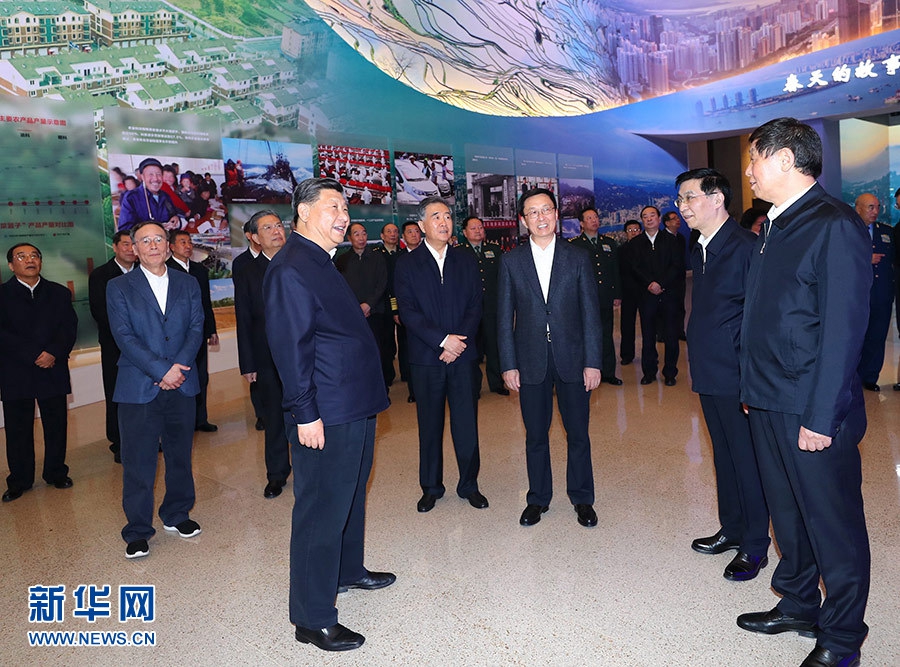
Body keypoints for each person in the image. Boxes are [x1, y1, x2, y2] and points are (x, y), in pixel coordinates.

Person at [737, 117, 871, 667]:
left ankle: (842, 637)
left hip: (811, 406)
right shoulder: (774, 224)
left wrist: (821, 415)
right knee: (787, 515)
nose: (747, 171)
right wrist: (753, 388)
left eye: (754, 160)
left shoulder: (832, 224)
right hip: (768, 397)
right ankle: (796, 602)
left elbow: (842, 332)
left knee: (831, 523)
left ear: (786, 160)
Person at [264, 178, 393, 652]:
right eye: (333, 206)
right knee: (321, 510)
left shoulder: (322, 261)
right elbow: (290, 349)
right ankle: (312, 616)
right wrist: (305, 414)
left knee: (351, 495)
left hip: (353, 403)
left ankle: (347, 570)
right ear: (302, 211)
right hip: (327, 411)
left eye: (346, 207)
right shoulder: (291, 267)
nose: (344, 216)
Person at [675, 168, 771, 582]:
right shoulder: (700, 247)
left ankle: (754, 545)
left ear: (717, 199)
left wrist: (751, 380)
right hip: (709, 371)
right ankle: (731, 528)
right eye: (680, 199)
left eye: (690, 197)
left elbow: (758, 321)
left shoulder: (747, 246)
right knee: (725, 456)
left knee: (747, 461)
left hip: (736, 376)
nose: (682, 207)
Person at [497, 188, 602, 528]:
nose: (540, 217)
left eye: (546, 210)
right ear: (523, 220)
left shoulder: (577, 258)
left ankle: (582, 498)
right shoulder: (511, 261)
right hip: (530, 360)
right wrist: (508, 364)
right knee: (536, 435)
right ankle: (538, 498)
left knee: (578, 433)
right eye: (533, 212)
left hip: (572, 357)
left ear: (557, 215)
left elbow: (590, 314)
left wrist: (594, 361)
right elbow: (503, 318)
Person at [107, 221, 204, 559]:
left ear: (168, 245)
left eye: (158, 239)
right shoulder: (118, 287)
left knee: (180, 456)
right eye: (144, 240)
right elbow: (123, 336)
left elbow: (196, 327)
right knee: (139, 461)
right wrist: (162, 370)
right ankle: (137, 530)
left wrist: (176, 369)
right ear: (133, 247)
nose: (152, 245)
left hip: (183, 382)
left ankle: (177, 514)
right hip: (139, 386)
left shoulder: (188, 283)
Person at [395, 196, 488, 514]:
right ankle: (431, 487)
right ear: (421, 225)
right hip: (426, 357)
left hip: (463, 355)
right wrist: (441, 341)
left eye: (447, 216)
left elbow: (476, 305)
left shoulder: (466, 260)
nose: (444, 222)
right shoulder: (407, 263)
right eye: (436, 217)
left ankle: (469, 485)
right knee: (429, 424)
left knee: (466, 423)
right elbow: (408, 311)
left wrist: (457, 342)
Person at [0, 243, 77, 502]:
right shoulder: (2, 294)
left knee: (56, 424)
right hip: (16, 370)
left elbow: (69, 328)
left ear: (41, 262)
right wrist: (33, 354)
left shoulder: (58, 293)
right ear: (11, 265)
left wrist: (53, 352)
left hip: (52, 367)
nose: (29, 260)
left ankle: (56, 472)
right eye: (21, 257)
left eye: (34, 256)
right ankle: (19, 480)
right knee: (18, 428)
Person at [234, 210, 291, 498]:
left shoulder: (301, 263)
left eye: (279, 225)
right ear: (255, 237)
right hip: (267, 357)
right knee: (274, 418)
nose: (276, 231)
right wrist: (248, 362)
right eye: (267, 227)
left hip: (305, 356)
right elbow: (243, 318)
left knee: (309, 415)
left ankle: (311, 470)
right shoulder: (248, 271)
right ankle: (277, 474)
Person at [88, 231, 137, 463]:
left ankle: (145, 437)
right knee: (117, 394)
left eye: (133, 244)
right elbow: (101, 312)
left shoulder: (144, 272)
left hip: (147, 347)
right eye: (125, 244)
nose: (130, 249)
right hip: (115, 346)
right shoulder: (101, 275)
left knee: (144, 394)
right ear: (115, 247)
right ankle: (118, 441)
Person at [166, 231, 219, 432]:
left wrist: (211, 329)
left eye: (189, 242)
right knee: (180, 377)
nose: (188, 246)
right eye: (182, 242)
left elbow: (206, 303)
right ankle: (181, 421)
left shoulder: (199, 270)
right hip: (177, 336)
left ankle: (200, 418)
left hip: (199, 333)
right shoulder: (166, 270)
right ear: (171, 247)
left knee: (201, 376)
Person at [628, 205, 684, 386]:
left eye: (652, 215)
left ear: (659, 219)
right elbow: (635, 268)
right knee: (648, 336)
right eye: (645, 216)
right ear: (642, 221)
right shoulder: (636, 243)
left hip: (669, 295)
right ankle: (649, 372)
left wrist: (661, 283)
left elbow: (676, 266)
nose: (649, 219)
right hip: (647, 296)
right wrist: (649, 284)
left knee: (671, 335)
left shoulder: (671, 240)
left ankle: (670, 372)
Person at [455, 215, 508, 395]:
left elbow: (503, 277)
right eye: (473, 228)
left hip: (492, 306)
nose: (478, 231)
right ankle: (473, 386)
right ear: (464, 232)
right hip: (468, 309)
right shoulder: (458, 253)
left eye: (480, 228)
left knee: (494, 346)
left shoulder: (494, 249)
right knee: (472, 348)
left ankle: (497, 383)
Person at [568, 207, 622, 385]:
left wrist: (617, 294)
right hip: (583, 299)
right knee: (585, 335)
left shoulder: (609, 242)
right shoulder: (574, 245)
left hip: (605, 297)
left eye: (596, 217)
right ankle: (585, 371)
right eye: (589, 218)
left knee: (606, 335)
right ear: (581, 224)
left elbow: (615, 270)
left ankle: (608, 372)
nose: (594, 220)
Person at [334, 223, 390, 388]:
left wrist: (368, 305)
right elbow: (340, 287)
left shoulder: (377, 257)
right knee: (357, 352)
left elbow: (382, 283)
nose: (361, 238)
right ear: (349, 238)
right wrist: (356, 308)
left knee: (378, 350)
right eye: (356, 234)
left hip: (376, 312)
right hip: (353, 314)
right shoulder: (342, 259)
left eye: (364, 234)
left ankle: (381, 386)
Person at [853, 193, 895, 392]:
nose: (875, 212)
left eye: (877, 207)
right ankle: (854, 377)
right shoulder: (848, 231)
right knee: (856, 337)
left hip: (881, 295)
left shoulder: (886, 231)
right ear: (858, 208)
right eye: (870, 207)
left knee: (877, 338)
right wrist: (864, 259)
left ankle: (870, 377)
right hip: (857, 296)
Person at [232, 219, 265, 431]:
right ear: (251, 236)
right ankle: (261, 414)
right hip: (255, 331)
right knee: (259, 381)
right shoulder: (241, 263)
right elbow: (243, 307)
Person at [117, 158, 182, 232]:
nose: (155, 179)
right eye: (150, 174)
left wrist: (176, 220)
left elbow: (174, 215)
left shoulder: (165, 196)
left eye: (158, 174)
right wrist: (153, 229)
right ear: (142, 177)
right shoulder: (131, 197)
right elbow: (124, 230)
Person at [372, 223, 401, 388]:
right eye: (389, 232)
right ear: (382, 236)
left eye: (396, 232)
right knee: (386, 340)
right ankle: (387, 374)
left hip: (400, 300)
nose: (393, 234)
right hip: (382, 302)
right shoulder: (376, 254)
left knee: (404, 340)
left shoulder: (403, 254)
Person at [397, 220, 423, 402]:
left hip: (428, 314)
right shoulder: (399, 259)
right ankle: (414, 390)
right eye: (410, 232)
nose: (414, 234)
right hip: (407, 313)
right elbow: (394, 288)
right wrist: (395, 310)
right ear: (403, 237)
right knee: (410, 352)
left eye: (416, 231)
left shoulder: (427, 255)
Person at [618, 219, 642, 366]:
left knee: (648, 325)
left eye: (636, 230)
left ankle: (650, 355)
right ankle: (627, 354)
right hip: (627, 292)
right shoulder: (620, 250)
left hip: (646, 292)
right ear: (626, 233)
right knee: (627, 325)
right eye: (630, 230)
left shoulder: (647, 248)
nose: (633, 233)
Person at [662, 210, 688, 341]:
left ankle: (679, 330)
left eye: (678, 218)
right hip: (667, 279)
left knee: (680, 306)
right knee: (666, 308)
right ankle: (663, 333)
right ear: (666, 223)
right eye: (673, 219)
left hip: (680, 279)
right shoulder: (662, 239)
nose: (677, 220)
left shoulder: (681, 238)